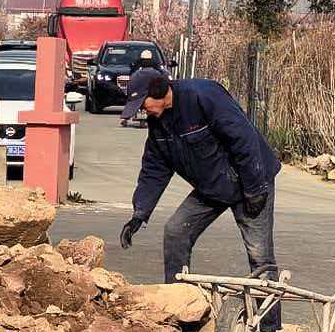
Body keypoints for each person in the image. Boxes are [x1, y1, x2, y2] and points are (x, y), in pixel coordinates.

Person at [118, 59, 281, 283]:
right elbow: (154, 169)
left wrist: (254, 189)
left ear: (159, 91)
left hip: (249, 182)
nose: (142, 112)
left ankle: (268, 319)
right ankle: (178, 303)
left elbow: (244, 140)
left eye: (143, 104)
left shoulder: (203, 96)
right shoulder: (159, 124)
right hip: (212, 187)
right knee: (176, 232)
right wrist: (140, 213)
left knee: (260, 257)